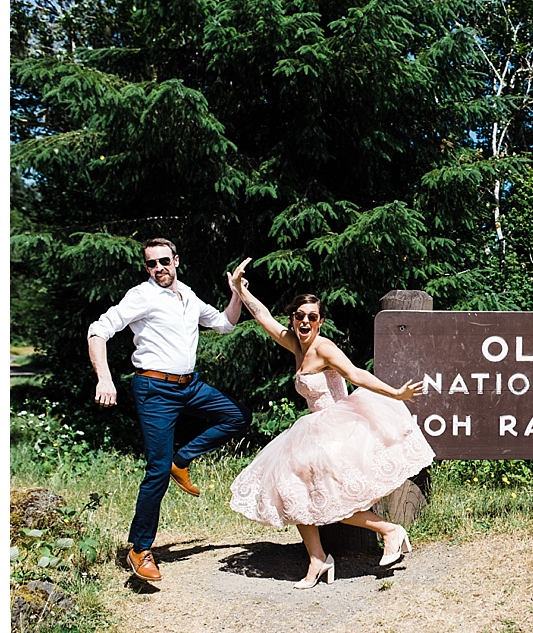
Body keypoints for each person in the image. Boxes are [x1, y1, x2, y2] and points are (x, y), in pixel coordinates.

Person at [226, 259, 434, 588]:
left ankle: (390, 530)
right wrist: (240, 290)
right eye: (300, 316)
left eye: (312, 317)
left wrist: (396, 393)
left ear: (319, 322)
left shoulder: (323, 347)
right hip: (314, 428)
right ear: (293, 320)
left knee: (335, 498)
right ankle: (318, 560)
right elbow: (263, 317)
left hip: (339, 426)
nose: (305, 321)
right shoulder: (295, 343)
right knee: (293, 491)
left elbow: (355, 374)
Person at [87, 237, 252, 584]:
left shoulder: (188, 294)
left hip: (188, 386)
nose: (159, 268)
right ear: (146, 267)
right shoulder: (141, 296)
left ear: (176, 260)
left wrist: (236, 292)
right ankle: (139, 548)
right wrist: (105, 379)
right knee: (157, 471)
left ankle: (183, 459)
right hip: (154, 389)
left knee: (237, 417)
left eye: (164, 261)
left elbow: (224, 323)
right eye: (152, 264)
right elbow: (98, 331)